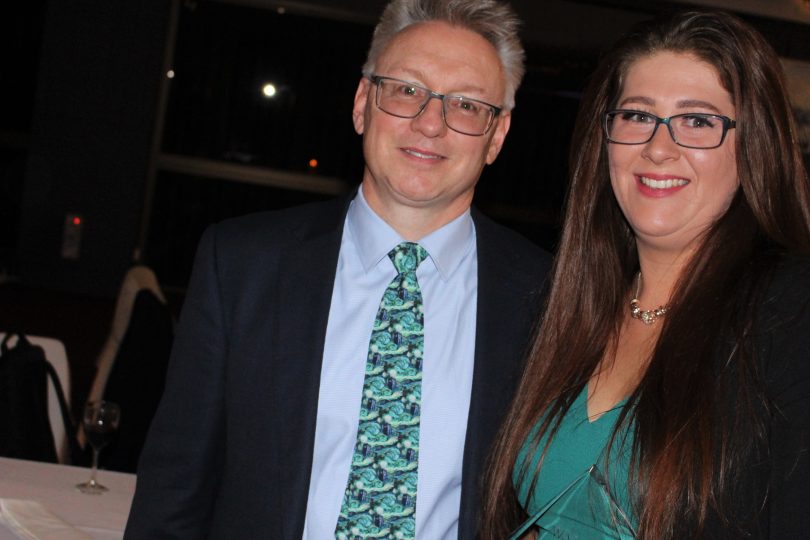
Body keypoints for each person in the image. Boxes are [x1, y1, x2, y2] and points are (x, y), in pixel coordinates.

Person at [124, 1, 550, 538]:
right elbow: (173, 493)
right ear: (362, 103)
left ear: (497, 135)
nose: (430, 123)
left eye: (465, 104)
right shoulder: (241, 267)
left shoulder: (547, 298)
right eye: (407, 90)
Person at [482, 9, 810, 539]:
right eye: (637, 115)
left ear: (754, 147)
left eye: (697, 121)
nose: (659, 148)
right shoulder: (567, 308)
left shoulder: (791, 314)